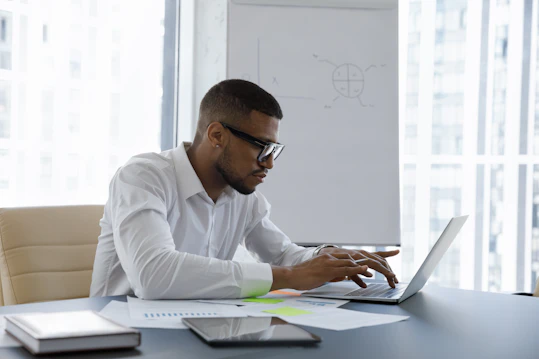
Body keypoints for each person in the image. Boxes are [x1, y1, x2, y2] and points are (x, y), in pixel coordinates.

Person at [90, 79, 399, 300]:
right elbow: (153, 276)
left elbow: (282, 254)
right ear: (216, 135)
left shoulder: (244, 199)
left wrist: (330, 258)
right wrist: (289, 278)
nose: (269, 163)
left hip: (204, 329)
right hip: (124, 336)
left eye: (273, 150)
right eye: (261, 147)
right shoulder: (143, 177)